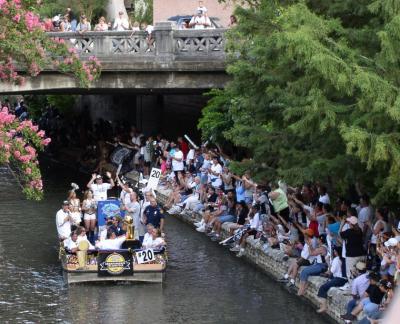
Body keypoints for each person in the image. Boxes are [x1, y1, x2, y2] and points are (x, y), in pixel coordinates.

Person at [316, 246, 347, 313]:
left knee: (323, 287)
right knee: (326, 284)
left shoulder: (336, 259)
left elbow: (331, 272)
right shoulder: (344, 259)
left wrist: (328, 262)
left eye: (335, 251)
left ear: (337, 252)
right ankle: (322, 305)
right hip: (344, 280)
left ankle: (324, 307)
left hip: (339, 279)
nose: (334, 252)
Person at [340, 215, 365, 281]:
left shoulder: (349, 232)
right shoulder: (360, 231)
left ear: (351, 224)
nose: (348, 223)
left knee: (351, 275)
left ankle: (353, 289)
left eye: (349, 222)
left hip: (351, 256)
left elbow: (339, 234)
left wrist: (342, 224)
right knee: (360, 273)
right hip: (361, 254)